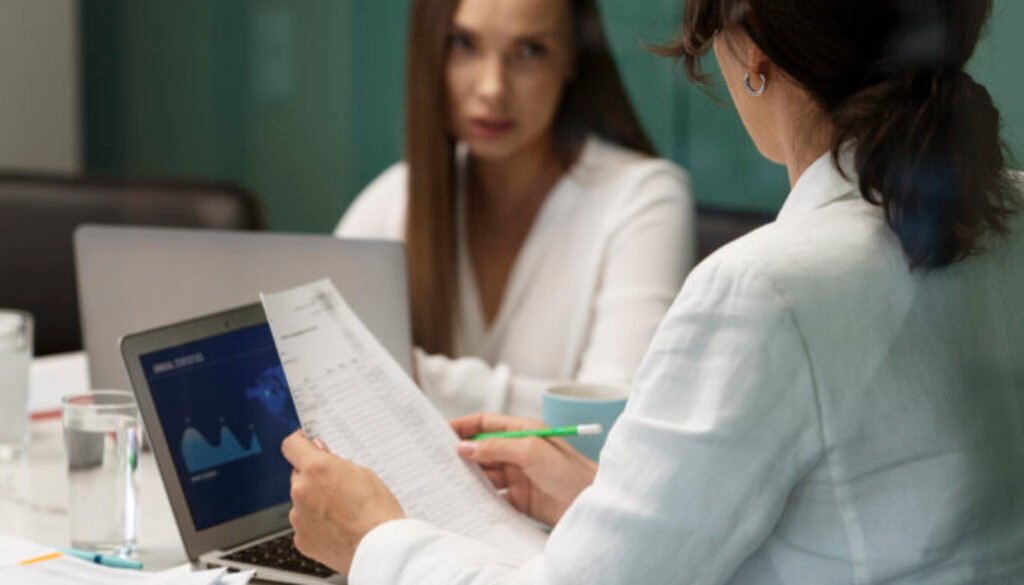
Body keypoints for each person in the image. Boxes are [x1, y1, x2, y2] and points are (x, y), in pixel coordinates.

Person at [284, 0, 1024, 583]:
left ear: (754, 56)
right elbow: (851, 522)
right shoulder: (1008, 213)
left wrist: (374, 541)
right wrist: (608, 500)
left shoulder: (764, 290)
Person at [336, 0, 695, 419]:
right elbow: (311, 360)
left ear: (571, 59)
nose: (492, 87)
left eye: (529, 51)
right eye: (463, 44)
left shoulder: (643, 197)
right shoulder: (396, 197)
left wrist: (415, 376)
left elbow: (613, 415)